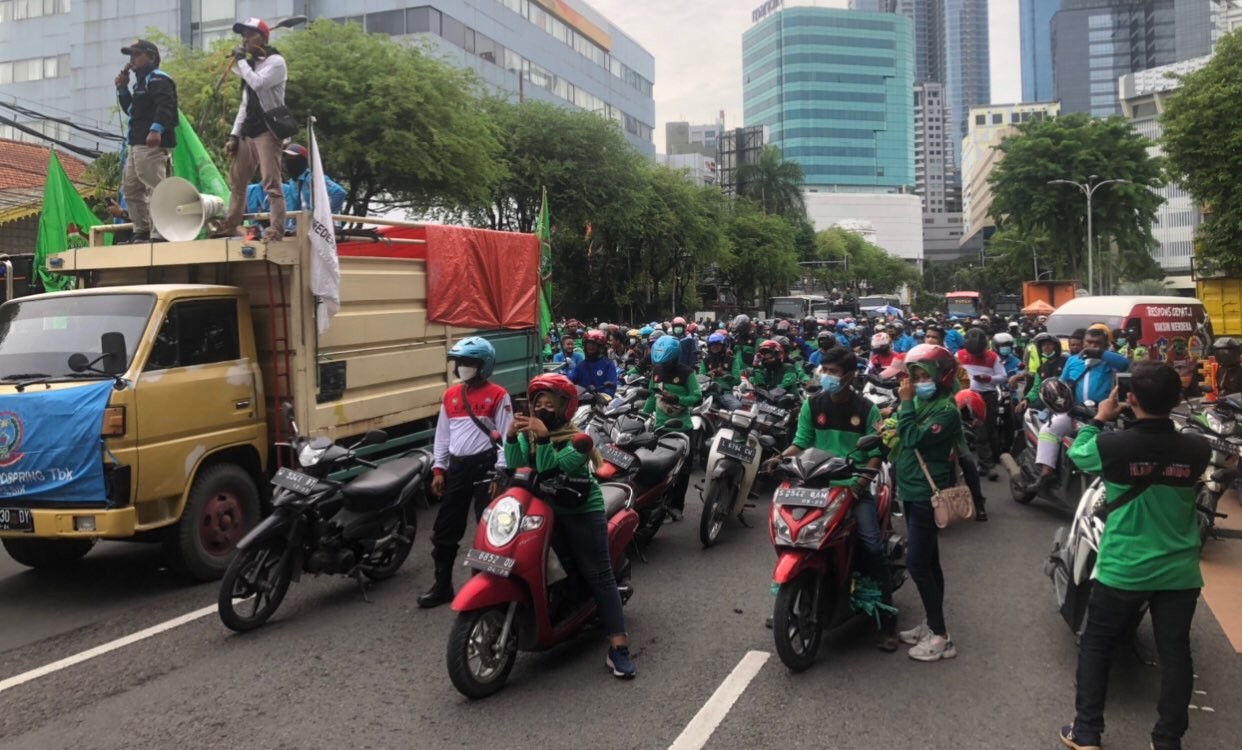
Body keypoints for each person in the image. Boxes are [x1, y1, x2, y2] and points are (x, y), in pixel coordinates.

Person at [1058, 363, 1210, 750]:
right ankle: (1167, 740)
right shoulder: (1197, 447)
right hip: (1179, 572)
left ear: (1131, 398)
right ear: (1178, 399)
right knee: (1176, 654)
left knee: (1097, 644)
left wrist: (1099, 418)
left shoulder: (1112, 446)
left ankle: (1087, 731)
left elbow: (1078, 454)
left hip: (1123, 567)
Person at [504, 374, 637, 679]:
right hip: (541, 510)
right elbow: (515, 466)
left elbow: (551, 469)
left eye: (550, 403)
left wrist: (545, 437)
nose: (542, 407)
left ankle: (618, 647)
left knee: (600, 575)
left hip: (580, 511)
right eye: (538, 402)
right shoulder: (530, 436)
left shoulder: (580, 440)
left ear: (565, 408)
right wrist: (512, 437)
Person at [764, 347, 897, 650]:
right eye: (824, 370)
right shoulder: (813, 405)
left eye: (833, 372)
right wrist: (778, 459)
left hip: (850, 486)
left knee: (872, 546)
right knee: (789, 534)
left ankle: (887, 619)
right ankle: (792, 598)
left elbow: (875, 455)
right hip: (814, 483)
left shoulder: (867, 410)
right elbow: (801, 442)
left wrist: (861, 483)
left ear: (849, 376)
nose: (826, 377)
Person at [417, 337, 513, 609]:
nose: (463, 368)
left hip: (486, 468)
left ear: (484, 365)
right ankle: (442, 586)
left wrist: (500, 472)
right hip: (457, 469)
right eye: (460, 363)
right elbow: (442, 436)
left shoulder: (498, 395)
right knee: (445, 530)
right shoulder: (451, 396)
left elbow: (506, 437)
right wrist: (439, 469)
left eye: (469, 363)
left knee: (490, 531)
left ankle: (491, 589)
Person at [891, 344, 963, 661]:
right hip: (909, 490)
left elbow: (913, 438)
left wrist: (905, 403)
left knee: (917, 563)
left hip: (925, 493)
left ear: (941, 376)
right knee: (930, 562)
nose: (918, 382)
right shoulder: (924, 403)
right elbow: (902, 428)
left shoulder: (946, 410)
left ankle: (941, 637)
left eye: (924, 376)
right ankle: (931, 624)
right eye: (915, 376)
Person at [213, 17, 289, 242]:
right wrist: (234, 135)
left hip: (268, 129)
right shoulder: (251, 65)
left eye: (250, 34)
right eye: (243, 35)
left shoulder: (276, 62)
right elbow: (246, 104)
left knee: (270, 182)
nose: (245, 39)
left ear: (264, 38)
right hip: (249, 130)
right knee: (237, 180)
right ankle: (230, 224)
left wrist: (241, 62)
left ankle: (276, 229)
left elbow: (257, 83)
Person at [1028, 327, 1129, 495]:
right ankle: (1046, 473)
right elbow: (1062, 383)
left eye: (1097, 343)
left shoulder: (1111, 363)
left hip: (1102, 414)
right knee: (1049, 430)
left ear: (1106, 345)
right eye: (1089, 342)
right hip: (1074, 411)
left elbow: (1125, 364)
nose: (1092, 346)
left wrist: (1099, 354)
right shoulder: (1073, 361)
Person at [115, 39, 177, 244]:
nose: (132, 60)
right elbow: (133, 111)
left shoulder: (158, 79)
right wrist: (123, 90)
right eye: (130, 56)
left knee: (155, 187)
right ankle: (141, 229)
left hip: (150, 143)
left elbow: (166, 106)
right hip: (136, 143)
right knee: (131, 188)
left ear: (150, 57)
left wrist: (156, 129)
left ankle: (160, 232)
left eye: (136, 55)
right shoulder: (140, 82)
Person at [642, 336, 701, 520]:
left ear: (675, 358)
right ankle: (658, 504)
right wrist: (642, 416)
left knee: (682, 471)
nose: (662, 366)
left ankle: (677, 507)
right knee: (657, 470)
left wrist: (678, 399)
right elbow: (652, 396)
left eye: (666, 362)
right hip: (660, 428)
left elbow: (697, 397)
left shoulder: (687, 373)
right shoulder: (657, 372)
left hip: (682, 429)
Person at [956, 328, 1008, 480]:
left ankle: (984, 464)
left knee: (986, 430)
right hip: (965, 396)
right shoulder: (958, 356)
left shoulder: (993, 357)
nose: (975, 356)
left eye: (978, 353)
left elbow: (1003, 377)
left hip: (987, 396)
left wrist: (989, 379)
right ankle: (987, 465)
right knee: (979, 431)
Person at [279, 143, 348, 231]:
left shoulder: (314, 179)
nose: (289, 161)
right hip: (304, 229)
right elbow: (293, 209)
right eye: (286, 158)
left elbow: (339, 193)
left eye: (293, 158)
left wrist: (323, 217)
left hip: (324, 229)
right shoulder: (291, 184)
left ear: (302, 160)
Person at [567, 330, 617, 396]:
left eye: (593, 344)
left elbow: (611, 387)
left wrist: (600, 395)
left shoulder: (608, 364)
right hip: (583, 402)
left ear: (600, 347)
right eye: (588, 344)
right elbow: (570, 379)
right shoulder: (581, 365)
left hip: (602, 403)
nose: (590, 347)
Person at [701, 332, 741, 410]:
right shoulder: (705, 361)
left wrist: (724, 375)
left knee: (737, 406)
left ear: (723, 346)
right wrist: (708, 375)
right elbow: (700, 378)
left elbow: (737, 380)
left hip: (725, 392)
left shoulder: (732, 360)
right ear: (709, 347)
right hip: (707, 392)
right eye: (712, 345)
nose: (714, 347)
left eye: (717, 345)